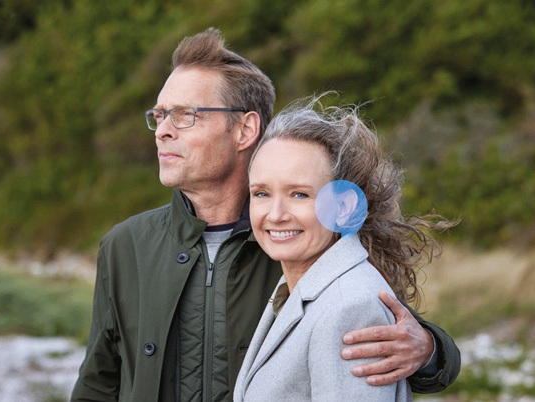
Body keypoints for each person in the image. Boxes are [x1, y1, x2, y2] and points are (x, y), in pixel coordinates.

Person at [71, 28, 460, 402]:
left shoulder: (298, 238)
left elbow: (379, 323)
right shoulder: (125, 245)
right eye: (159, 116)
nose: (162, 131)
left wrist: (427, 349)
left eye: (185, 115)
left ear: (245, 129)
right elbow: (98, 383)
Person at [234, 98, 456, 401]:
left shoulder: (349, 309)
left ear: (343, 206)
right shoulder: (296, 284)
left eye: (299, 194)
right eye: (261, 193)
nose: (275, 214)